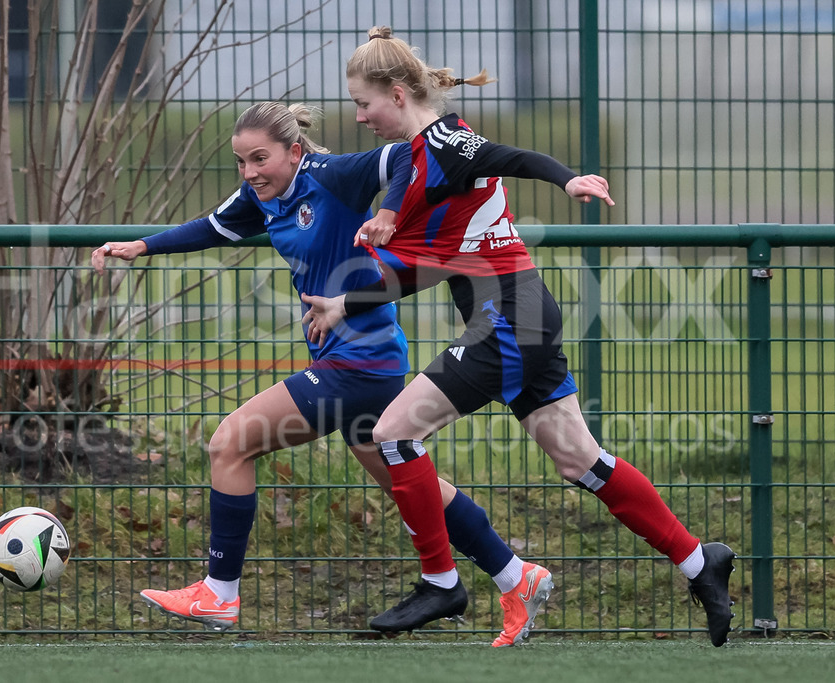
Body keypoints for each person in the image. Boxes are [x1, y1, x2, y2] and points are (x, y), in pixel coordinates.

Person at [301, 26, 737, 647]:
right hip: (521, 316)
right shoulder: (421, 158)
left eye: (362, 103)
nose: (358, 115)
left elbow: (514, 159)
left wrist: (568, 181)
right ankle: (700, 562)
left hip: (508, 319)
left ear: (396, 94)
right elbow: (434, 266)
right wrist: (348, 301)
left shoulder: (446, 142)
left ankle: (441, 581)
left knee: (393, 436)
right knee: (581, 462)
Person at [91, 101, 545, 643]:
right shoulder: (261, 198)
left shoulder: (330, 176)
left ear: (295, 151)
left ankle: (219, 594)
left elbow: (406, 156)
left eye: (260, 158)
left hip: (360, 363)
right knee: (413, 486)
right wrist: (141, 246)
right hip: (355, 364)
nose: (251, 171)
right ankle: (515, 574)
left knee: (229, 444)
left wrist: (389, 215)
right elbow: (209, 227)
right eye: (241, 161)